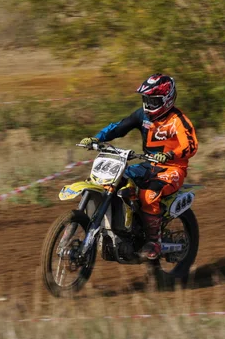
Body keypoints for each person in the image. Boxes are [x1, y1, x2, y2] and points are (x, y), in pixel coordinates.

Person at [79, 74, 198, 261]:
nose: (148, 104)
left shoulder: (178, 120)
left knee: (149, 195)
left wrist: (169, 154)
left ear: (166, 100)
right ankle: (127, 228)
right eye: (146, 99)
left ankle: (154, 241)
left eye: (153, 100)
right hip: (148, 164)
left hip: (172, 168)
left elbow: (190, 145)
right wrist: (97, 138)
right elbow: (119, 127)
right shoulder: (142, 115)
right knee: (115, 179)